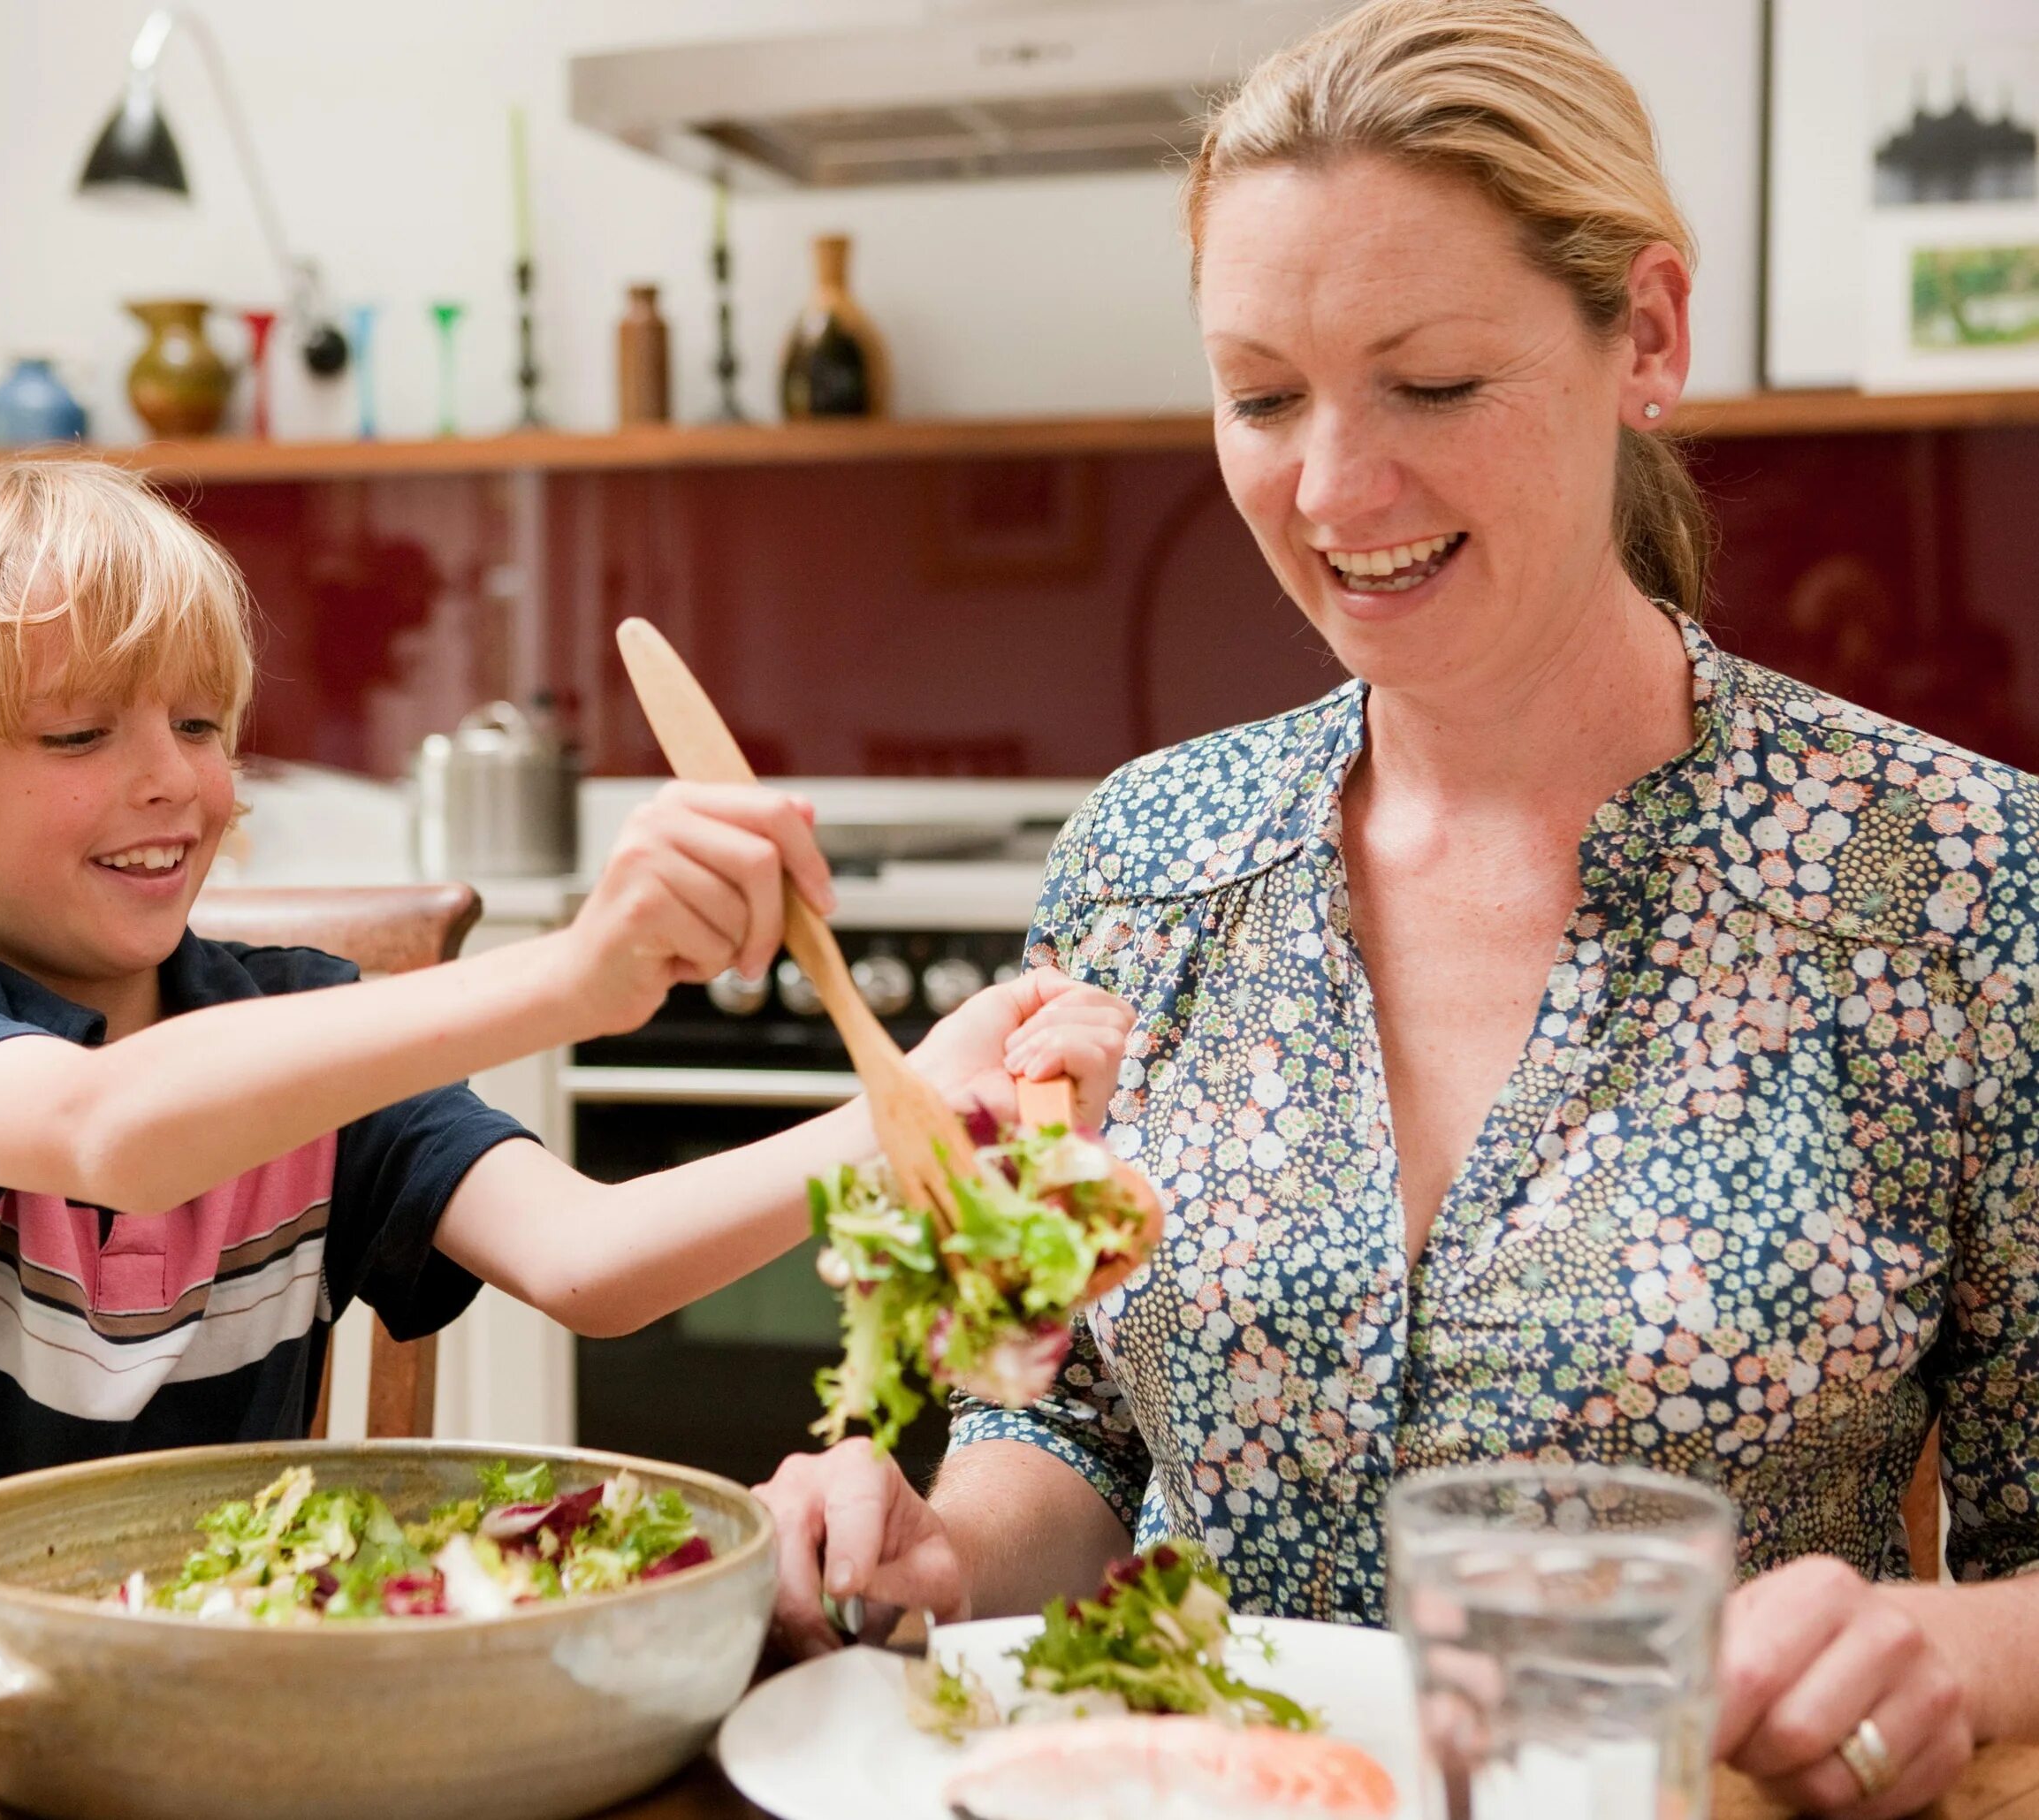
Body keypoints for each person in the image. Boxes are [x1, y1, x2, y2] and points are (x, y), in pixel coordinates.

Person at [754, 4, 2039, 1815]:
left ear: (1647, 335)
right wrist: (934, 1558)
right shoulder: (1151, 854)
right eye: (1263, 396)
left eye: (1431, 385)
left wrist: (1955, 1651)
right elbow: (1067, 1430)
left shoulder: (1959, 887)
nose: (1331, 488)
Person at [0, 458, 1136, 1534]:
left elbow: (594, 1264)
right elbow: (110, 1127)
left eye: (202, 723)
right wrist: (577, 977)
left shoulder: (308, 1032)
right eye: (82, 731)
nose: (175, 779)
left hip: (189, 1685)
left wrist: (910, 1109)